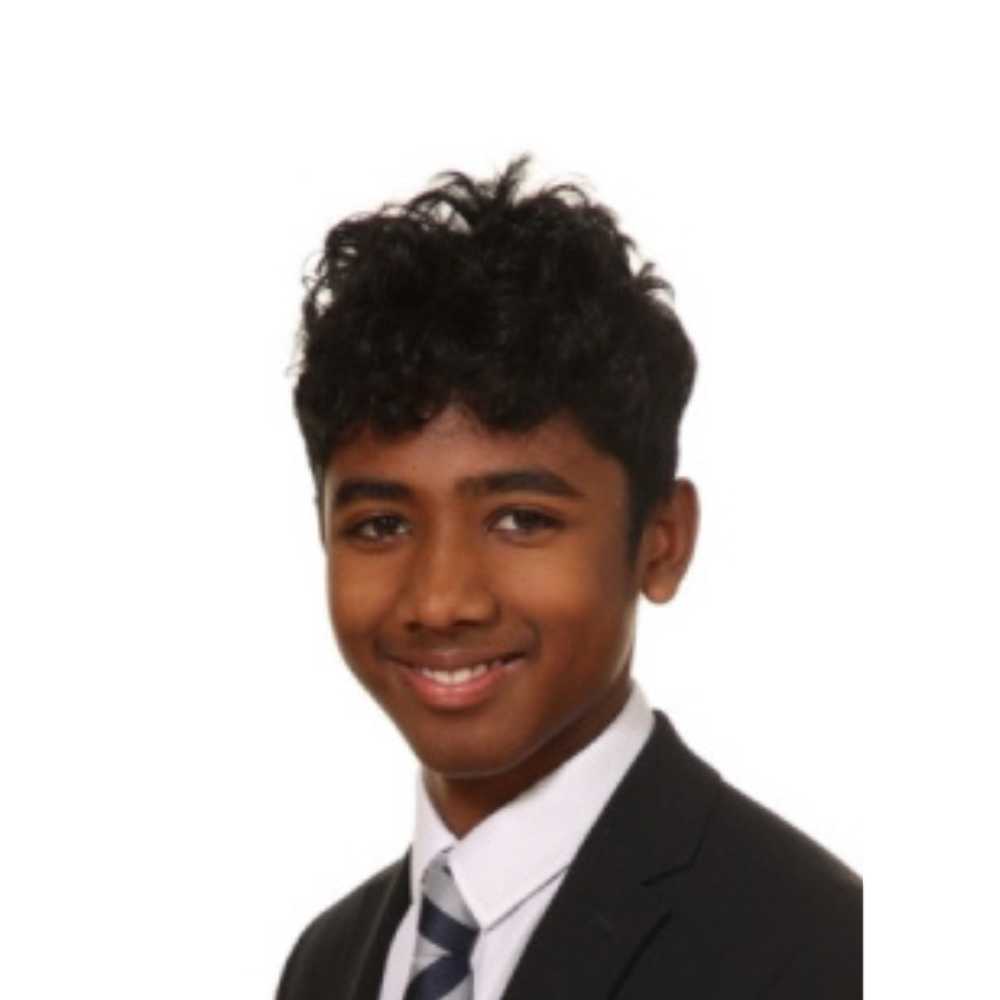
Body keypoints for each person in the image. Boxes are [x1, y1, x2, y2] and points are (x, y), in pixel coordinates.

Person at [276, 158, 862, 1000]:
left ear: (661, 542)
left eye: (521, 519)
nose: (440, 600)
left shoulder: (824, 951)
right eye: (381, 525)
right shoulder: (326, 964)